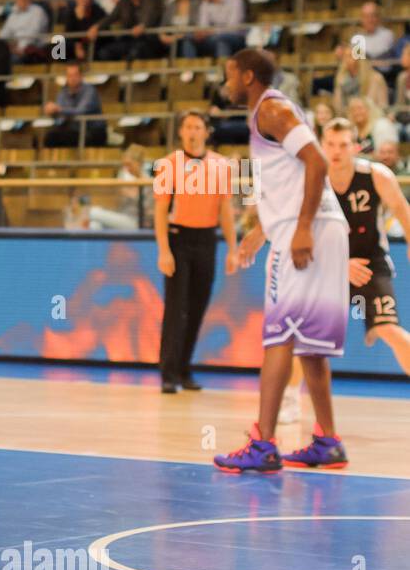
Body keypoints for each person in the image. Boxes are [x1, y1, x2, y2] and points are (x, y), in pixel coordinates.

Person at [214, 49, 350, 473]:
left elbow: (316, 162)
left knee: (277, 337)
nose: (226, 83)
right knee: (307, 342)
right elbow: (290, 181)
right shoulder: (272, 110)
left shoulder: (269, 110)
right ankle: (327, 440)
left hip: (305, 228)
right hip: (314, 225)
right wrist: (260, 233)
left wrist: (303, 227)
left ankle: (263, 444)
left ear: (248, 76)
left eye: (230, 75)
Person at [153, 111, 240, 393]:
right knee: (176, 308)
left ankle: (184, 369)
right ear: (180, 132)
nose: (192, 132)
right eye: (187, 127)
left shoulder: (221, 165)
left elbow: (226, 210)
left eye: (197, 127)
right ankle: (168, 372)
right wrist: (164, 251)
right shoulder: (168, 164)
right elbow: (160, 211)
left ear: (206, 132)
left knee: (197, 308)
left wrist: (232, 248)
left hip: (207, 240)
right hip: (179, 238)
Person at [323, 118, 410, 376]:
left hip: (369, 263)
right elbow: (305, 235)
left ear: (356, 147)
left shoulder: (376, 176)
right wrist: (340, 265)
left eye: (343, 144)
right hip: (328, 265)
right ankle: (291, 397)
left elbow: (402, 210)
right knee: (306, 336)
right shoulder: (313, 180)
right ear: (321, 145)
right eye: (330, 144)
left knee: (388, 328)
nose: (336, 151)